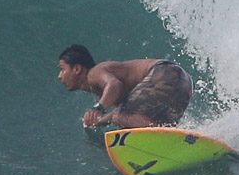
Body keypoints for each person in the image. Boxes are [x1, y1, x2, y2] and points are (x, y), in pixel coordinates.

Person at [57, 44, 194, 128]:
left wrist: (98, 108)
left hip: (163, 73)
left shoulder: (94, 72)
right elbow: (121, 112)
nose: (59, 75)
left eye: (62, 69)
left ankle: (165, 138)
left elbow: (114, 84)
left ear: (77, 69)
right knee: (142, 123)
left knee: (121, 117)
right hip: (183, 81)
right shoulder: (100, 83)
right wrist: (100, 121)